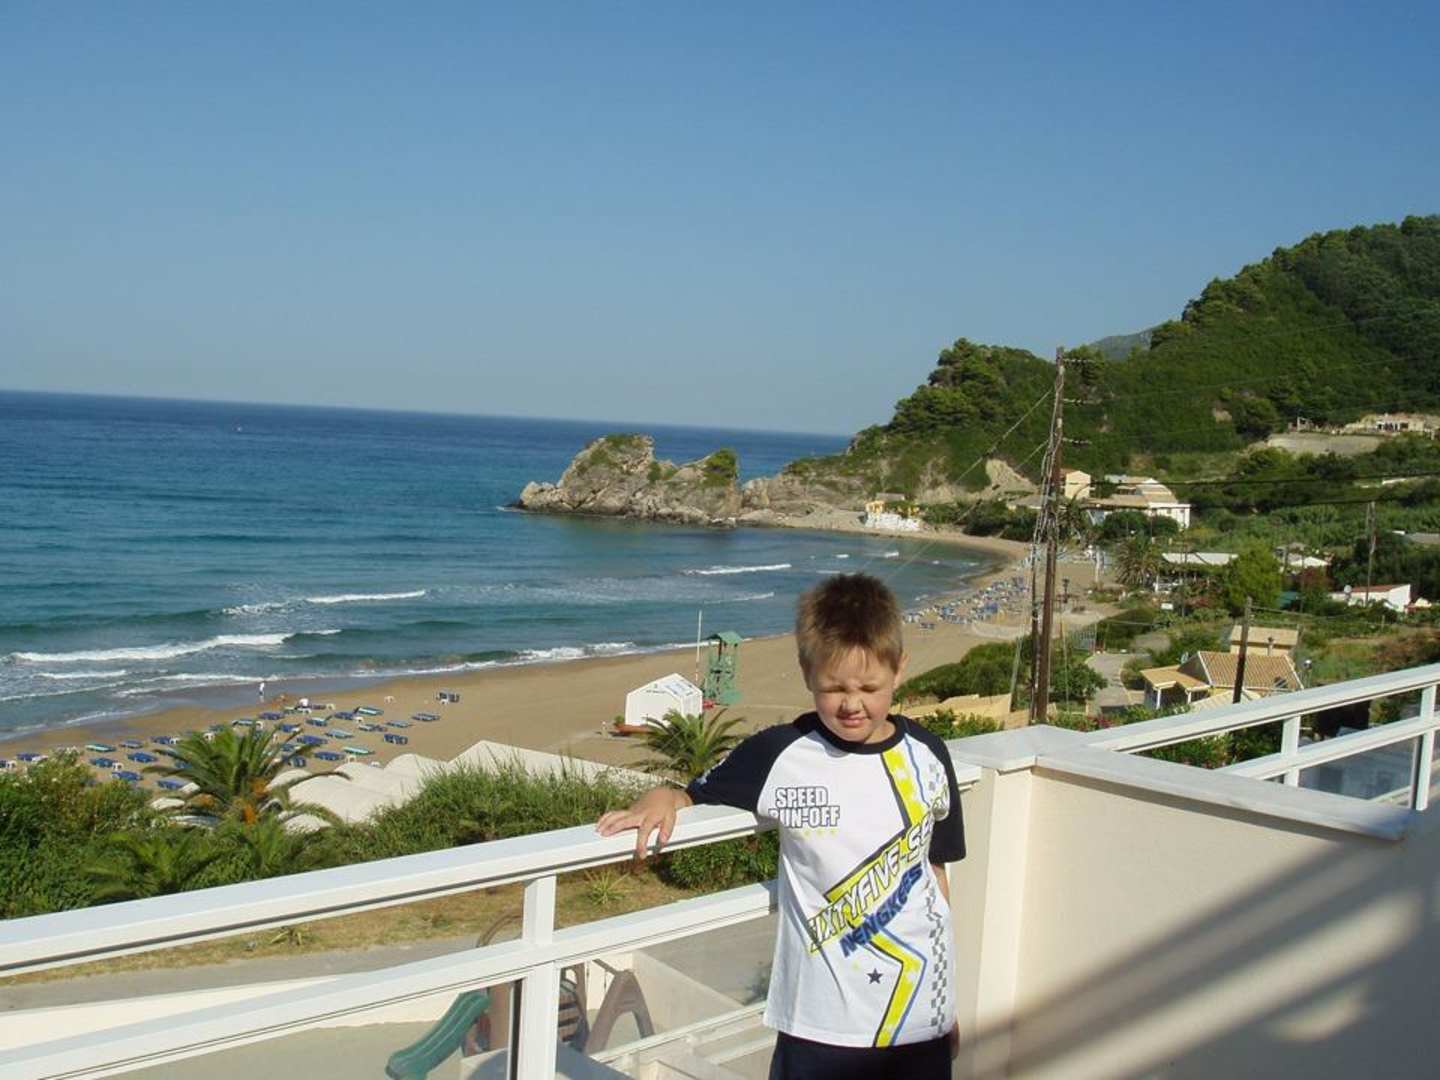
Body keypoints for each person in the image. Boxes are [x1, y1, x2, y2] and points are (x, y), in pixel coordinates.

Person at [597, 573, 965, 1078]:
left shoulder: (929, 755)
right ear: (806, 672)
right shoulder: (780, 753)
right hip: (818, 1023)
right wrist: (664, 797)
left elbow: (936, 876)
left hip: (919, 1016)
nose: (851, 704)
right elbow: (695, 790)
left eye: (869, 687)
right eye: (833, 687)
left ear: (899, 669)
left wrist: (945, 1005)